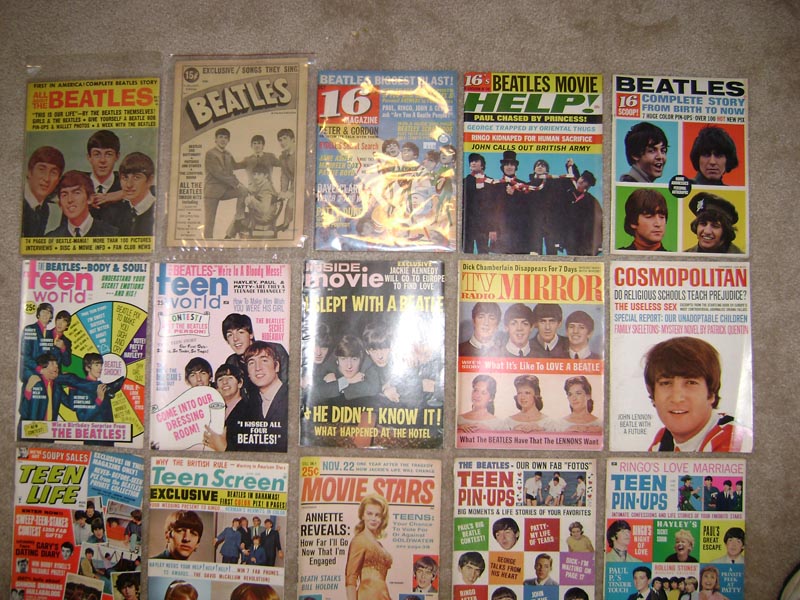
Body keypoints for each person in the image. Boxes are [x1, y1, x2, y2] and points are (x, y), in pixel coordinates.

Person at [644, 337, 752, 452]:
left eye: (691, 383)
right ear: (653, 395)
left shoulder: (734, 439)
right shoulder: (663, 439)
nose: (677, 398)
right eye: (666, 383)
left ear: (711, 393)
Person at [95, 151, 156, 236]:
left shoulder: (158, 210)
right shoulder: (116, 212)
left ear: (150, 180)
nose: (129, 184)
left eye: (136, 177)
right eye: (125, 178)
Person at [203, 127, 248, 239]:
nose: (223, 140)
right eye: (220, 137)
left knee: (243, 191)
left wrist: (248, 161)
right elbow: (219, 173)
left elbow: (234, 166)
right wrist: (236, 183)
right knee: (209, 221)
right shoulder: (210, 154)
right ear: (216, 139)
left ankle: (239, 219)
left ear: (228, 140)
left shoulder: (228, 154)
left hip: (225, 190)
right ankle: (207, 243)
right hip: (212, 192)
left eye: (225, 138)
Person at [345, 494, 392, 600]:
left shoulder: (379, 545)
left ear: (382, 518)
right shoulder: (360, 540)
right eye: (369, 514)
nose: (373, 519)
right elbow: (351, 578)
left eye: (377, 515)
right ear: (363, 515)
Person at [244, 341, 288, 451]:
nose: (257, 368)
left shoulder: (292, 398)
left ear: (276, 366)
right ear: (248, 373)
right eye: (251, 363)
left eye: (264, 360)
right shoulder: (251, 406)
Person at [47, 171, 118, 237]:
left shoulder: (113, 234)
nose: (70, 200)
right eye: (64, 195)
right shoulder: (51, 238)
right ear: (60, 204)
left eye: (76, 193)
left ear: (90, 198)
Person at [203, 364, 253, 452]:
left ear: (240, 383)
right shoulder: (212, 411)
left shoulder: (250, 411)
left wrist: (223, 447)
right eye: (220, 379)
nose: (225, 382)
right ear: (217, 387)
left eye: (230, 378)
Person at [492, 150, 533, 253]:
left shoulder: (523, 185)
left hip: (520, 231)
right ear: (503, 167)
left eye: (512, 164)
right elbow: (492, 210)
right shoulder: (495, 185)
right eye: (506, 164)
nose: (509, 167)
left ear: (516, 167)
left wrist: (514, 195)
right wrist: (492, 229)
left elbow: (528, 209)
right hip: (501, 230)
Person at [318, 335, 379, 402]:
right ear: (337, 360)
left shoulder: (367, 364)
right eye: (343, 359)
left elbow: (374, 388)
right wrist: (347, 381)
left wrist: (337, 386)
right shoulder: (329, 364)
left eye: (354, 359)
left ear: (361, 360)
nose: (349, 366)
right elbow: (316, 390)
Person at [22, 146, 65, 237]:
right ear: (29, 172)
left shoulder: (44, 208)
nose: (46, 178)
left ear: (58, 180)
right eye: (41, 170)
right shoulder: (20, 204)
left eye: (53, 172)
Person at [558, 170, 602, 256]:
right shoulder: (566, 195)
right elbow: (559, 218)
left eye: (585, 181)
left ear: (588, 186)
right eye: (582, 178)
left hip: (585, 241)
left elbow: (599, 222)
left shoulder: (592, 201)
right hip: (569, 239)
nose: (581, 181)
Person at [463, 152, 496, 253]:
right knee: (467, 251)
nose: (473, 163)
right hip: (468, 224)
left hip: (484, 224)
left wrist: (493, 228)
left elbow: (494, 207)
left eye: (476, 161)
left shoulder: (491, 182)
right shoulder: (465, 181)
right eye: (471, 161)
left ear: (482, 165)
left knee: (483, 251)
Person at [20, 302, 54, 380]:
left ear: (51, 316)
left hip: (45, 370)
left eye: (48, 313)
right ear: (38, 314)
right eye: (43, 312)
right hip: (31, 370)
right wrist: (40, 369)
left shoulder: (49, 334)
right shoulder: (30, 329)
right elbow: (25, 356)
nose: (45, 315)